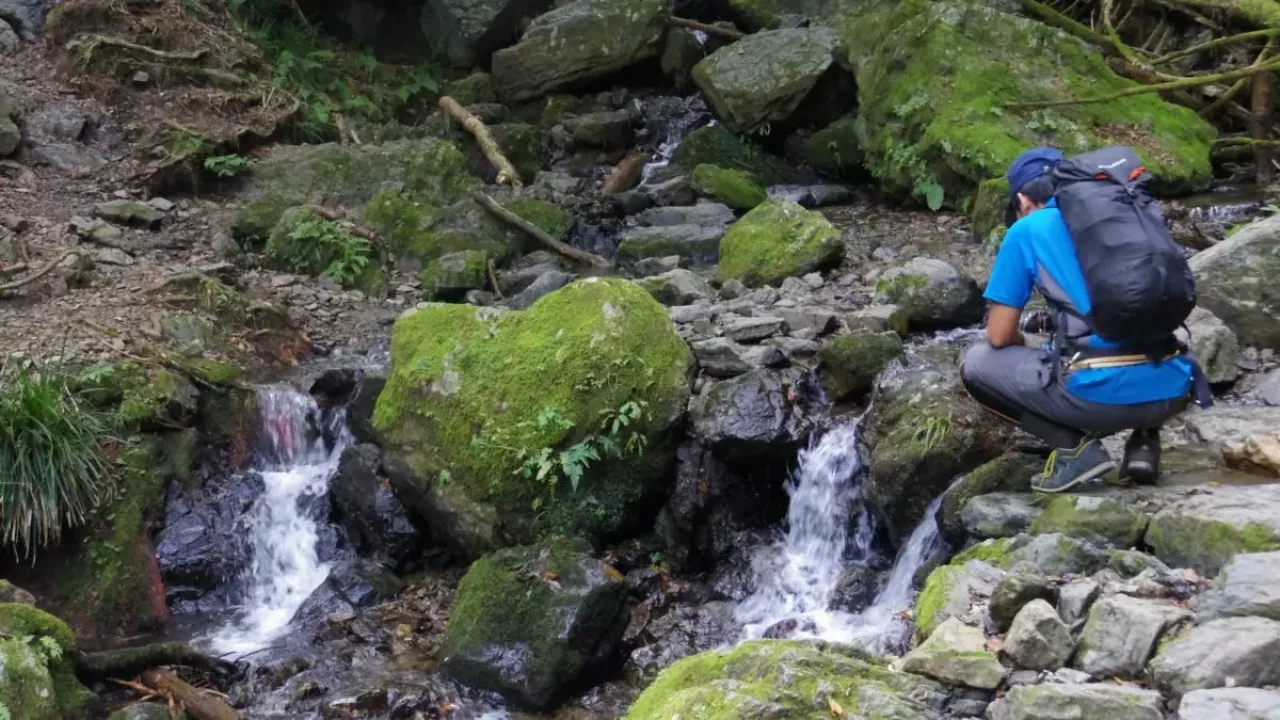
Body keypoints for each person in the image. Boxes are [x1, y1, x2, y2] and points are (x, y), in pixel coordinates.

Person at [960, 146, 1194, 493]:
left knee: (976, 364)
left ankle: (1075, 449)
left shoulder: (1028, 230)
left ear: (1023, 200)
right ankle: (1144, 445)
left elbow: (998, 336)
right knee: (1138, 326)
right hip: (1173, 389)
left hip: (1096, 401)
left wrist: (1023, 342)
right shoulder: (1129, 215)